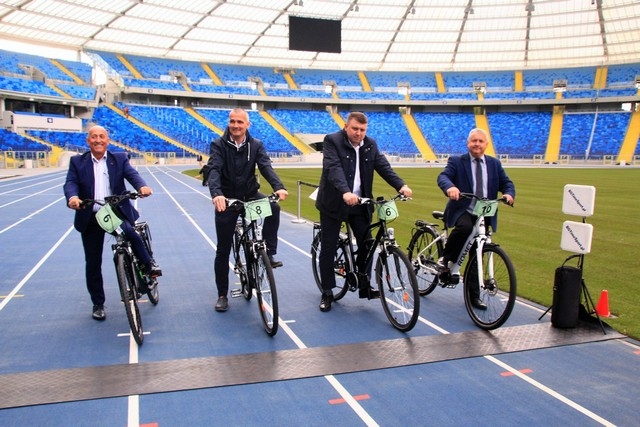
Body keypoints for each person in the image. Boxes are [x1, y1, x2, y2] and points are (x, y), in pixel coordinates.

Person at [315, 111, 413, 312]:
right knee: (329, 247)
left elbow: (383, 166)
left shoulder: (370, 144)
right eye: (355, 129)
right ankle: (327, 291)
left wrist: (400, 185)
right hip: (334, 202)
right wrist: (345, 191)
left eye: (362, 130)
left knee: (367, 244)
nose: (359, 133)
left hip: (360, 203)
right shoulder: (332, 141)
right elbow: (333, 168)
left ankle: (364, 284)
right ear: (346, 126)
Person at [64, 125, 162, 321]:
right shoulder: (77, 162)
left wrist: (142, 186)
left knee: (131, 234)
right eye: (94, 137)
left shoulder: (119, 158)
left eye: (102, 137)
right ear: (88, 141)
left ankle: (148, 265)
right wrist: (73, 197)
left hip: (114, 212)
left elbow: (132, 174)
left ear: (108, 140)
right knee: (92, 262)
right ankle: (98, 304)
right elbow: (70, 183)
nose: (98, 140)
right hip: (91, 216)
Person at [207, 108, 288, 312]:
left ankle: (268, 252)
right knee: (223, 250)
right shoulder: (218, 145)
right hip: (227, 200)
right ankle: (222, 295)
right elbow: (214, 170)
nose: (235, 125)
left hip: (250, 196)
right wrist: (217, 194)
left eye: (240, 122)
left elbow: (266, 167)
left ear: (247, 125)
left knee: (274, 208)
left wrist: (278, 186)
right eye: (232, 121)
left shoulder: (256, 145)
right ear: (229, 123)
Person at [436, 128, 515, 309]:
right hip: (464, 209)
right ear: (468, 143)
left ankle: (474, 297)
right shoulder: (457, 161)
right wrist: (450, 188)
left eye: (480, 141)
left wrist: (509, 194)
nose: (477, 144)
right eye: (474, 141)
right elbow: (444, 176)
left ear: (486, 144)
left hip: (485, 213)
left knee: (477, 254)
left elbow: (506, 183)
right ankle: (446, 258)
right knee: (464, 229)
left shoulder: (494, 164)